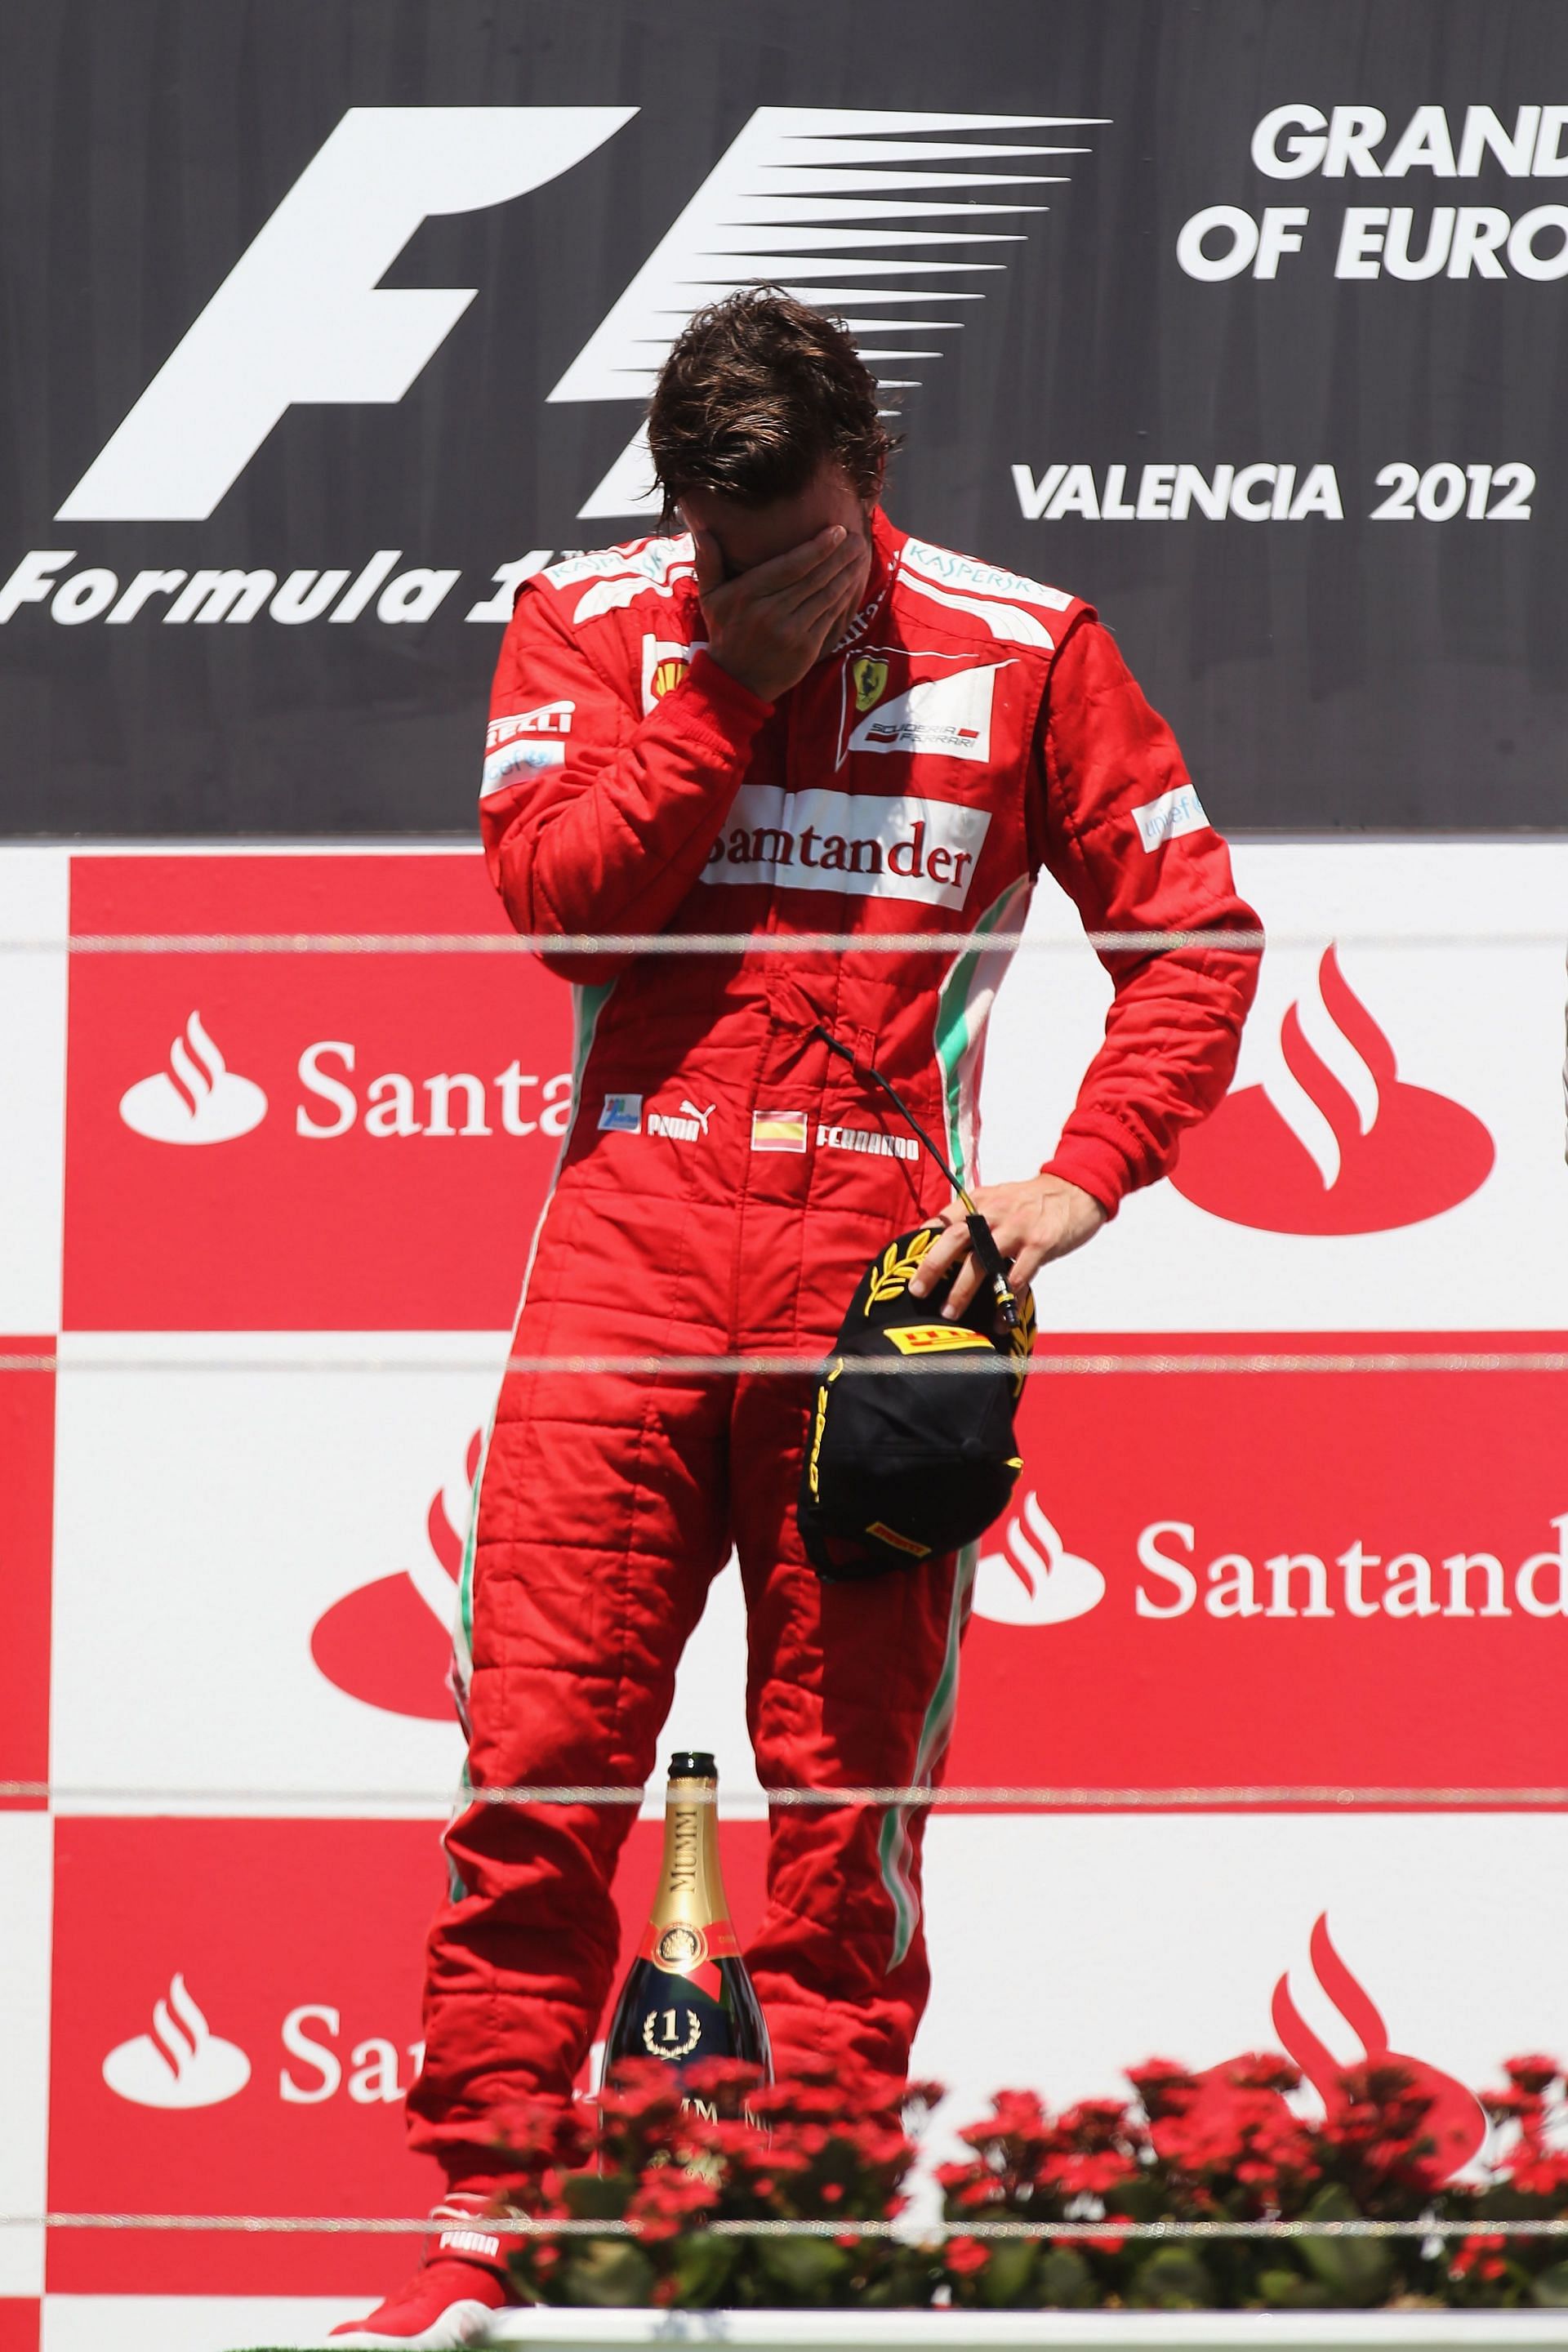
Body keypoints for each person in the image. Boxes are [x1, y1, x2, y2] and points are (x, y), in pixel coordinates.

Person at [332, 290, 1261, 2345]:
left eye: (806, 542)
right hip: (628, 1258)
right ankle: (487, 2219)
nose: (764, 579)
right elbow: (560, 905)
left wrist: (1074, 1184)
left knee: (847, 1798)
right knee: (541, 1758)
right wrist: (724, 692)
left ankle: (814, 2214)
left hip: (885, 1292)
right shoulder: (596, 617)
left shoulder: (1026, 645)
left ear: (879, 479)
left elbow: (1194, 947)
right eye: (726, 546)